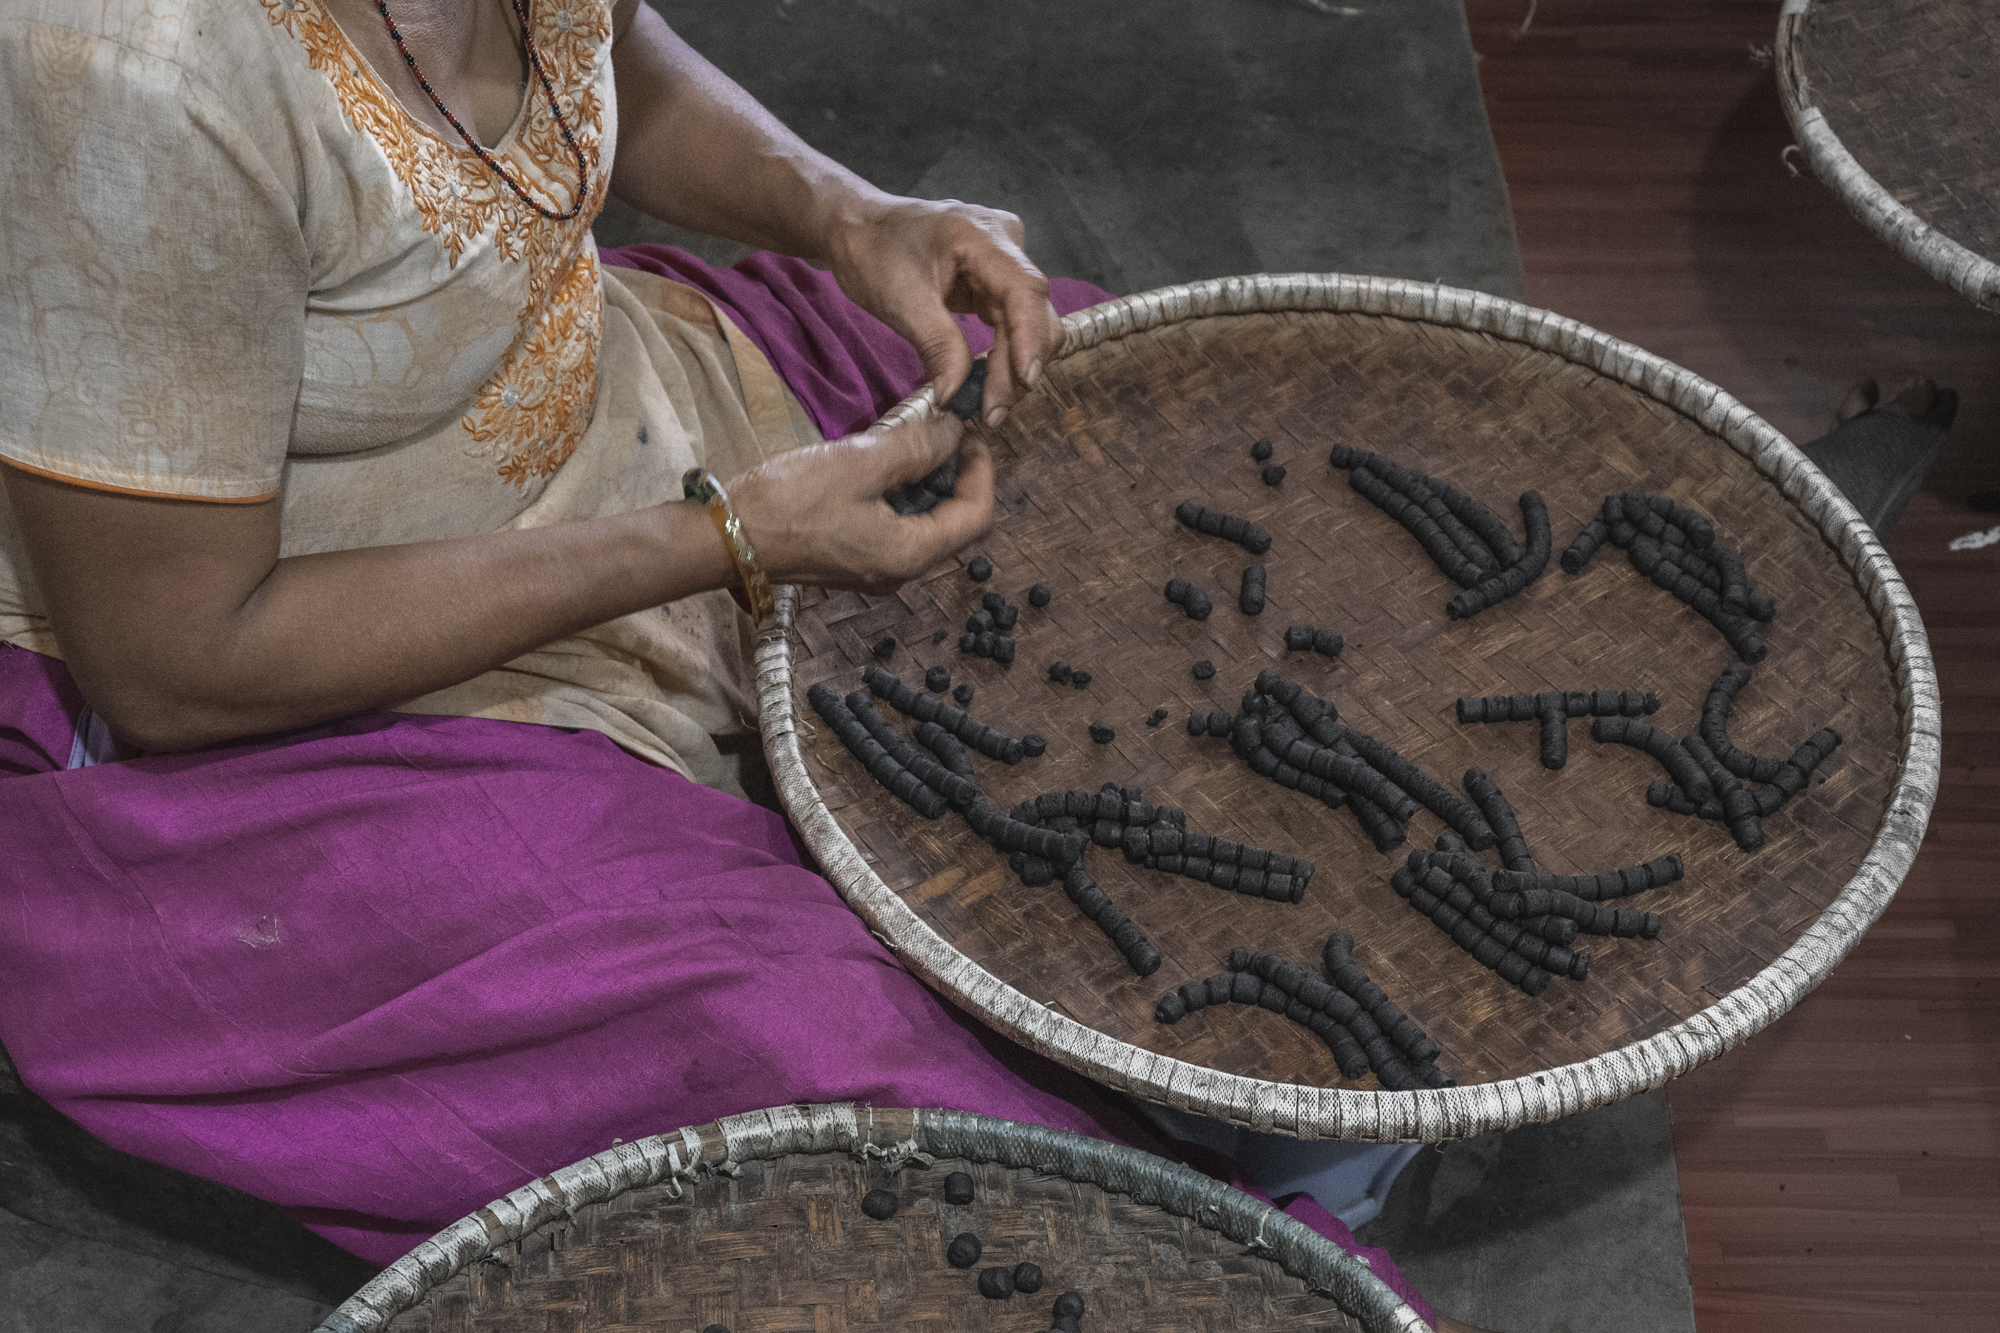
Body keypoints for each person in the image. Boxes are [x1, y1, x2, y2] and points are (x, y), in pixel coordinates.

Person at [0, 0, 1440, 1319]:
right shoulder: (132, 69)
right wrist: (728, 542)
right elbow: (177, 662)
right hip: (310, 665)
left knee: (1137, 465)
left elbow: (602, 50)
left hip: (610, 404)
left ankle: (1123, 1047)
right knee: (813, 1070)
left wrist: (848, 213)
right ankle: (1134, 1135)